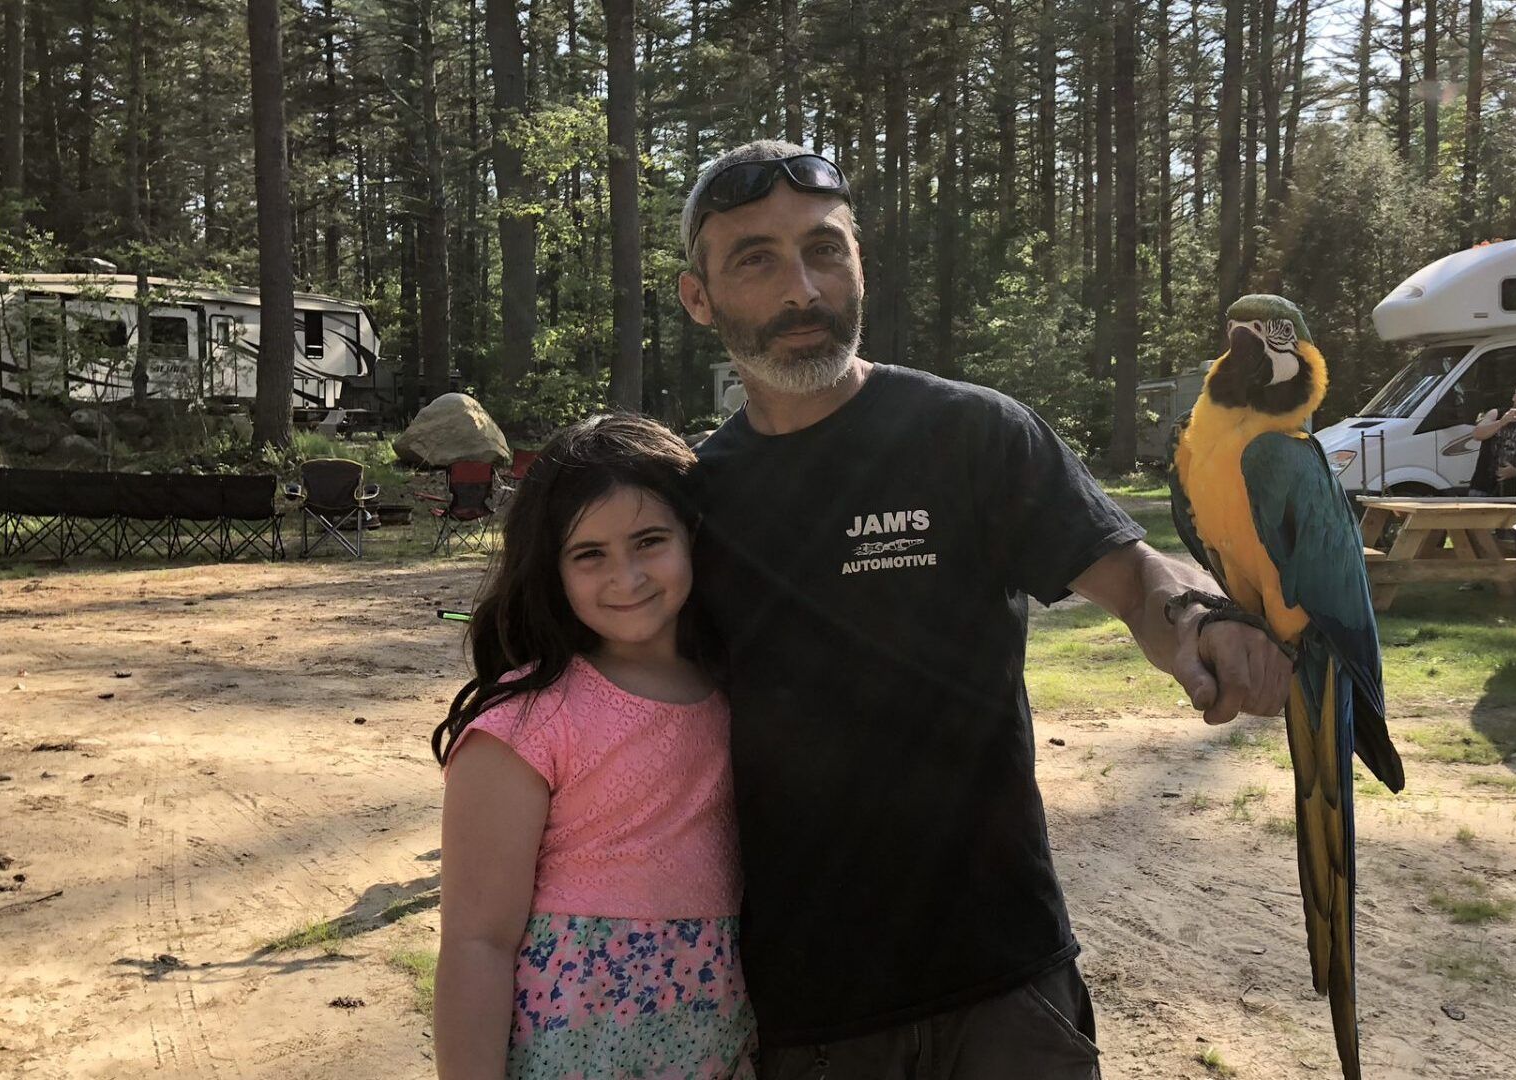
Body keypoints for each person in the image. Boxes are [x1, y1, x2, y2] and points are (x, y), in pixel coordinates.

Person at [676, 139, 1292, 1079]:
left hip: (1005, 978)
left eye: (824, 248)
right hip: (811, 1002)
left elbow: (1134, 578)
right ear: (699, 298)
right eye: (755, 260)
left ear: (858, 265)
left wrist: (1203, 623)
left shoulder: (969, 433)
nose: (801, 287)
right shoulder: (695, 501)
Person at [430, 416, 755, 1080]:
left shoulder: (742, 692)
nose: (626, 575)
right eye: (590, 555)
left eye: (649, 541)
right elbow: (477, 943)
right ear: (551, 568)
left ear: (693, 535)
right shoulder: (528, 721)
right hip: (568, 1055)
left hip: (716, 1047)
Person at [1468, 381, 1516, 496]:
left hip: (1515, 491)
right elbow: (1477, 434)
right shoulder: (1496, 413)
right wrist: (1502, 422)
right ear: (1514, 397)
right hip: (1483, 486)